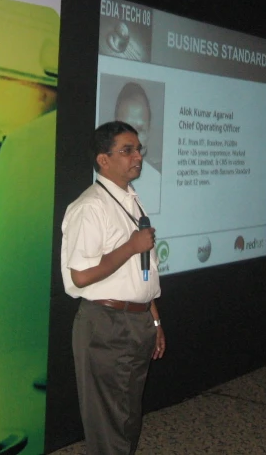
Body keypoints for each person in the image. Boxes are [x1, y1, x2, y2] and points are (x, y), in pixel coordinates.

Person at [61, 121, 166, 455]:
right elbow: (80, 276)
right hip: (106, 323)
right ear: (103, 160)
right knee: (110, 422)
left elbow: (141, 274)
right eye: (127, 150)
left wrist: (154, 320)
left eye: (138, 149)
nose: (137, 156)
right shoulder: (90, 207)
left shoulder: (130, 199)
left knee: (127, 416)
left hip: (135, 322)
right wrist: (131, 247)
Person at [113, 82, 162, 213]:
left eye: (140, 129)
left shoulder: (159, 184)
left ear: (149, 131)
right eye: (126, 128)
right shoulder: (96, 180)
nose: (133, 138)